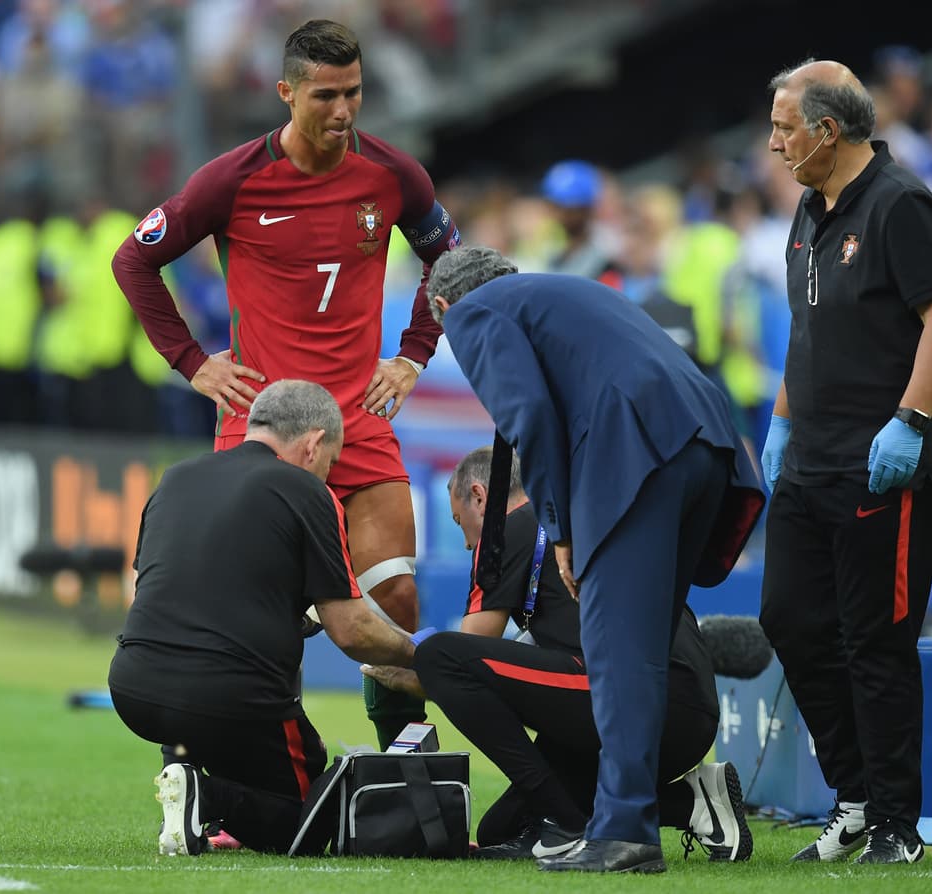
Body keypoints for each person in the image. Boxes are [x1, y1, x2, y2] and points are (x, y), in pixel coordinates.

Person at [111, 19, 462, 749]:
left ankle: (404, 763)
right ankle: (247, 760)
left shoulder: (394, 175)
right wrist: (192, 362)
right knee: (254, 612)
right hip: (263, 423)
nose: (343, 110)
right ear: (286, 92)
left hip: (357, 417)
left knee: (396, 596)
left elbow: (450, 260)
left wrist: (413, 354)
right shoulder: (232, 179)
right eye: (326, 95)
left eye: (354, 92)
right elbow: (132, 261)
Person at [424, 246, 765, 873]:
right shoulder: (563, 294)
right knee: (643, 652)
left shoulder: (475, 312)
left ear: (445, 306)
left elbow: (527, 414)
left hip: (637, 452)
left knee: (618, 656)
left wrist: (559, 527)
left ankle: (624, 832)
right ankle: (628, 816)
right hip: (709, 444)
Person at [758, 59, 932, 865]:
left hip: (885, 467)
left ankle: (895, 823)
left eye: (784, 128)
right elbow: (805, 327)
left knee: (876, 642)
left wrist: (909, 422)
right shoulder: (809, 208)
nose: (773, 144)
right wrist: (782, 422)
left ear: (827, 130)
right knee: (789, 619)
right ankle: (852, 796)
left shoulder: (900, 204)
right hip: (811, 458)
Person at [362, 445, 753, 863]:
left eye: (462, 524)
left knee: (440, 655)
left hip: (645, 700)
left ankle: (563, 824)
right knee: (502, 829)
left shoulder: (508, 528)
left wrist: (412, 668)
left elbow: (465, 652)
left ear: (480, 496)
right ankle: (694, 803)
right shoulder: (575, 520)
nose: (466, 543)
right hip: (682, 708)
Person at [107, 379, 422, 856]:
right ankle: (203, 794)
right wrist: (418, 654)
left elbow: (152, 590)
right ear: (314, 443)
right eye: (331, 462)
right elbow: (352, 630)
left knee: (203, 713)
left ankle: (182, 775)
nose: (329, 473)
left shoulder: (177, 477)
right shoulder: (307, 491)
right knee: (306, 824)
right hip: (226, 694)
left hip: (134, 688)